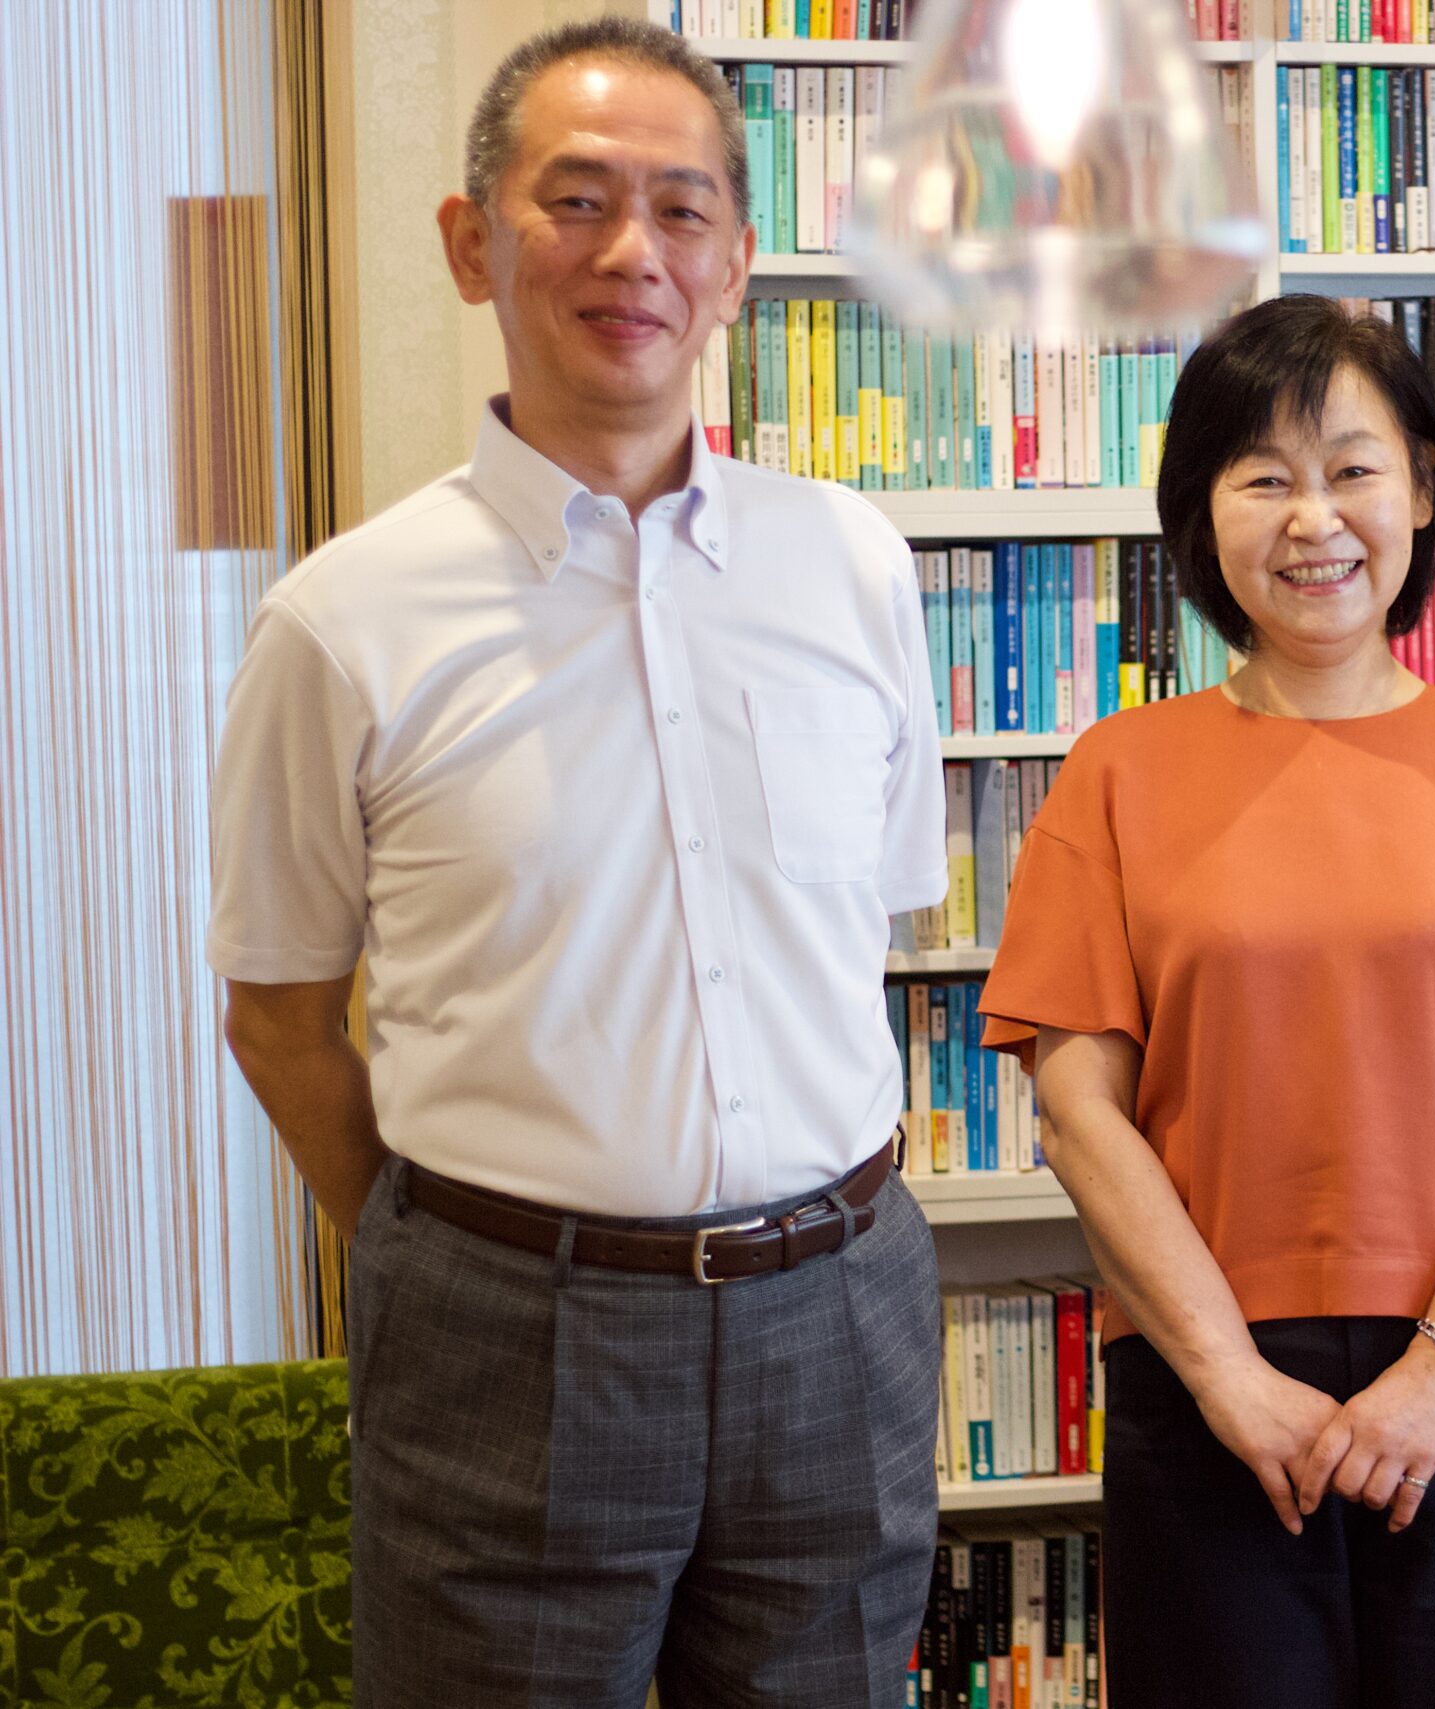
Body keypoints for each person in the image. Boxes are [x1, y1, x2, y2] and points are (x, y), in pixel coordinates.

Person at [210, 18, 945, 1705]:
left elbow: (871, 922)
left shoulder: (851, 565)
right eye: (578, 199)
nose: (635, 252)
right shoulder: (343, 619)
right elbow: (278, 1016)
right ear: (472, 242)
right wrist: (456, 1258)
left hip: (838, 1313)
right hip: (511, 1334)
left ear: (737, 264)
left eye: (683, 209)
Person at [974, 293, 1435, 1709]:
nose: (1314, 519)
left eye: (1353, 469)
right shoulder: (1116, 773)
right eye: (1263, 479)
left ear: (1423, 489)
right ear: (1201, 517)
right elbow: (1079, 1111)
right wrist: (1226, 1375)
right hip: (1209, 1377)